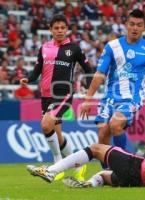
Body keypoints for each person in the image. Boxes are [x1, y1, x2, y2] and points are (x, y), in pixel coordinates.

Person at [80, 9, 145, 162]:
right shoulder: (112, 47)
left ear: (144, 27)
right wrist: (87, 99)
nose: (135, 28)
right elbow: (100, 74)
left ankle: (126, 164)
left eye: (139, 25)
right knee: (102, 135)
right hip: (110, 95)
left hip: (132, 97)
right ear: (126, 24)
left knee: (115, 124)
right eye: (132, 24)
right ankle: (108, 174)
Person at [20, 14, 92, 181]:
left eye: (62, 28)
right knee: (57, 135)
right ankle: (79, 165)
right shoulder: (44, 48)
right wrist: (28, 79)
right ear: (50, 30)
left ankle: (55, 166)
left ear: (66, 29)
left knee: (46, 124)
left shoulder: (74, 48)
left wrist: (88, 90)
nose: (60, 31)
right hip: (46, 96)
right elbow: (37, 69)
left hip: (64, 93)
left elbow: (88, 69)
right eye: (56, 28)